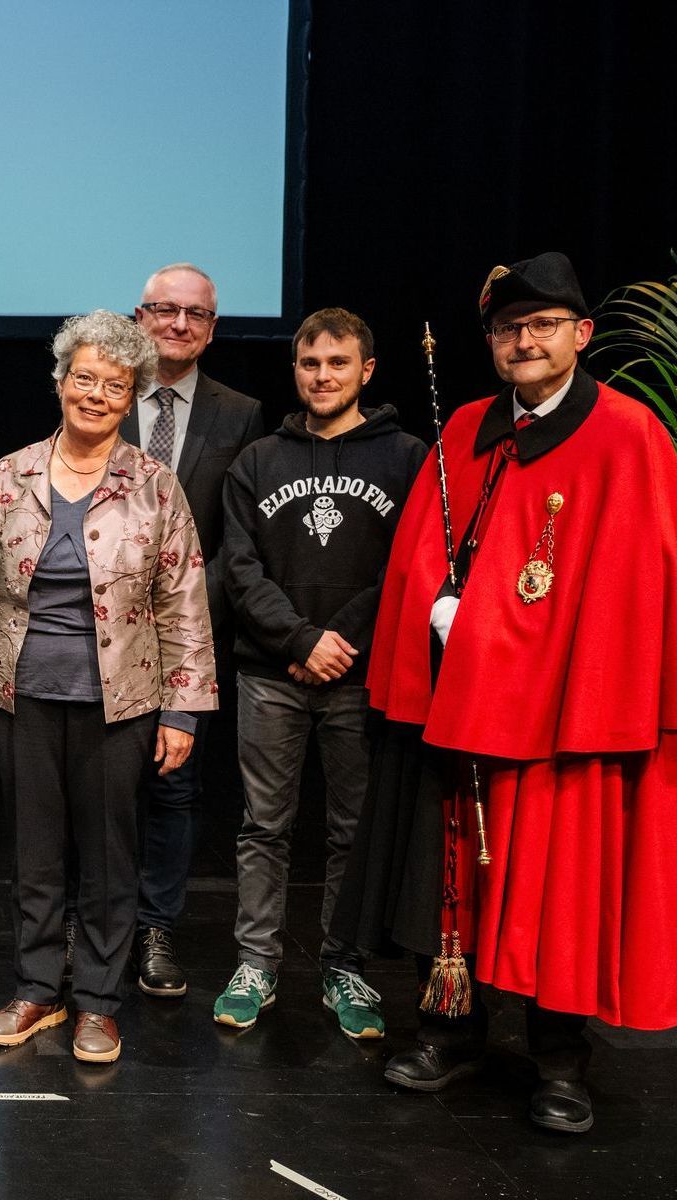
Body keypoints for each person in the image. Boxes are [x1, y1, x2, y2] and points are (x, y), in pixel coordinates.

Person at [338, 252, 677, 1133]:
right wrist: (436, 605)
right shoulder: (465, 432)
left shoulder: (627, 432)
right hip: (457, 707)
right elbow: (421, 553)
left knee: (552, 885)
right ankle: (450, 1032)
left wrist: (490, 624)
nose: (523, 342)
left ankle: (559, 1061)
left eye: (542, 326)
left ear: (581, 334)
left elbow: (636, 585)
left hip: (560, 718)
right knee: (445, 877)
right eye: (506, 329)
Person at [0, 310, 215, 1063]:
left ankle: (97, 999)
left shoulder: (155, 485)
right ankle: (37, 988)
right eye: (84, 378)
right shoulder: (10, 474)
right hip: (20, 698)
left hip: (121, 702)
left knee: (107, 855)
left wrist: (183, 712)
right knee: (33, 851)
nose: (95, 394)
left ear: (131, 400)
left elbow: (183, 602)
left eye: (114, 385)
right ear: (61, 381)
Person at [212, 308, 426, 1037]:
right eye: (310, 364)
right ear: (295, 370)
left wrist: (341, 643)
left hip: (364, 676)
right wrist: (302, 640)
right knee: (264, 825)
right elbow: (239, 570)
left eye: (338, 363)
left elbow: (411, 567)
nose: (323, 376)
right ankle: (257, 964)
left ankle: (345, 966)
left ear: (367, 371)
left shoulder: (408, 457)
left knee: (351, 829)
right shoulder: (257, 461)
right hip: (272, 672)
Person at [123, 263, 263, 997]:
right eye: (164, 311)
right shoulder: (97, 393)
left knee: (173, 791)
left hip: (190, 636)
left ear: (213, 328)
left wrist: (176, 603)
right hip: (95, 638)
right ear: (138, 316)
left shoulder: (240, 414)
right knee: (102, 789)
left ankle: (156, 930)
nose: (179, 325)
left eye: (195, 316)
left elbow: (239, 537)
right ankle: (100, 927)